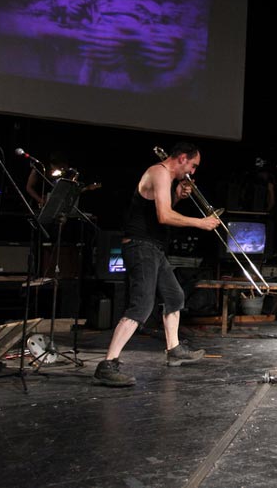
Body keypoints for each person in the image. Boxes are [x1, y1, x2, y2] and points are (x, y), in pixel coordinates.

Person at [92, 142, 222, 387]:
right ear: (182, 158)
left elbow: (157, 212)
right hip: (140, 246)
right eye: (193, 165)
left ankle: (174, 350)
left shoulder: (166, 178)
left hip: (153, 247)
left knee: (174, 296)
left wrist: (177, 196)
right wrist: (200, 222)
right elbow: (164, 216)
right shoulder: (159, 172)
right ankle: (107, 364)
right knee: (141, 305)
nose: (192, 172)